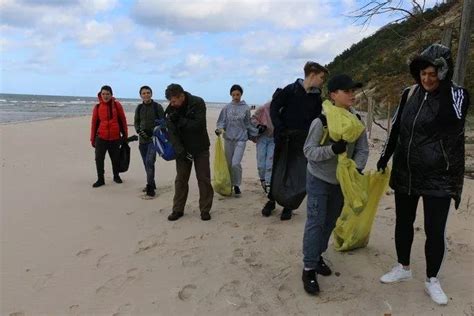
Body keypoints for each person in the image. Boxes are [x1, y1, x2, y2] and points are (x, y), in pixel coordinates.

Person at [377, 44, 470, 305]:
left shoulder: (457, 94)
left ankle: (432, 280)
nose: (427, 79)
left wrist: (445, 84)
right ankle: (403, 268)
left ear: (443, 71)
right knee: (403, 222)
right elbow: (396, 128)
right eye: (423, 73)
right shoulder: (409, 94)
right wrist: (384, 158)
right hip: (406, 171)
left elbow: (452, 121)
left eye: (433, 73)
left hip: (439, 175)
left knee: (434, 230)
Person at [301, 74, 369, 295]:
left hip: (342, 181)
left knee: (330, 221)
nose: (352, 95)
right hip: (319, 178)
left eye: (353, 91)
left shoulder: (356, 121)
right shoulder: (321, 121)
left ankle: (318, 254)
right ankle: (309, 267)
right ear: (333, 95)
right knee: (315, 222)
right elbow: (309, 151)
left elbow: (362, 149)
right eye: (347, 91)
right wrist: (332, 150)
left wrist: (355, 169)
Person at [262, 61, 328, 220]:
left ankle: (288, 205)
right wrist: (279, 127)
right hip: (284, 138)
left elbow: (317, 118)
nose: (322, 82)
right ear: (312, 75)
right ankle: (271, 200)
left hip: (303, 140)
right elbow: (274, 107)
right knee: (278, 168)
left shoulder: (316, 97)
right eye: (321, 78)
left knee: (296, 172)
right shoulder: (290, 90)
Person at [164, 84, 214, 221]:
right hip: (182, 149)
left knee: (203, 179)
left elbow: (198, 125)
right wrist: (180, 151)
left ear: (181, 96)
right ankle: (177, 209)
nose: (172, 104)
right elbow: (172, 134)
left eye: (174, 101)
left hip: (200, 147)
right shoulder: (170, 110)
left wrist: (180, 120)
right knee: (180, 180)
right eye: (170, 101)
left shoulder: (197, 102)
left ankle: (205, 209)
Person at [215, 84, 257, 196]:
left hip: (241, 139)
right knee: (228, 163)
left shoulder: (246, 108)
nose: (235, 96)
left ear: (241, 94)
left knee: (235, 163)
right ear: (230, 95)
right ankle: (229, 185)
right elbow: (221, 122)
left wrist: (255, 134)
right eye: (233, 94)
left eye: (237, 94)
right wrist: (219, 129)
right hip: (228, 139)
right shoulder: (226, 108)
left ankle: (237, 184)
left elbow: (248, 123)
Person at [90, 85, 128, 187]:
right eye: (103, 94)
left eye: (107, 94)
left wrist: (125, 136)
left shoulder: (117, 105)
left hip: (115, 138)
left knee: (115, 159)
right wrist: (92, 139)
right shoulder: (97, 107)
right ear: (100, 94)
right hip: (101, 138)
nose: (105, 96)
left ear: (111, 95)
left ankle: (116, 176)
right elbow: (94, 124)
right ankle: (100, 179)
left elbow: (123, 120)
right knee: (99, 159)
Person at [134, 85, 165, 197]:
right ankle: (152, 183)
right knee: (145, 163)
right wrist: (139, 131)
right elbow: (136, 122)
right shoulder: (139, 108)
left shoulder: (157, 107)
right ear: (140, 95)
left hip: (154, 140)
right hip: (142, 141)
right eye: (144, 93)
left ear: (151, 94)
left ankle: (150, 188)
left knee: (149, 162)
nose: (146, 95)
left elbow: (163, 123)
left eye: (148, 92)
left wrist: (153, 130)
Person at [250, 89, 280, 193]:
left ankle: (268, 183)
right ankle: (262, 179)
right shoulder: (264, 108)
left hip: (273, 139)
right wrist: (259, 125)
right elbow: (253, 119)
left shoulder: (283, 110)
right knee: (261, 163)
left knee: (270, 162)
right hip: (262, 138)